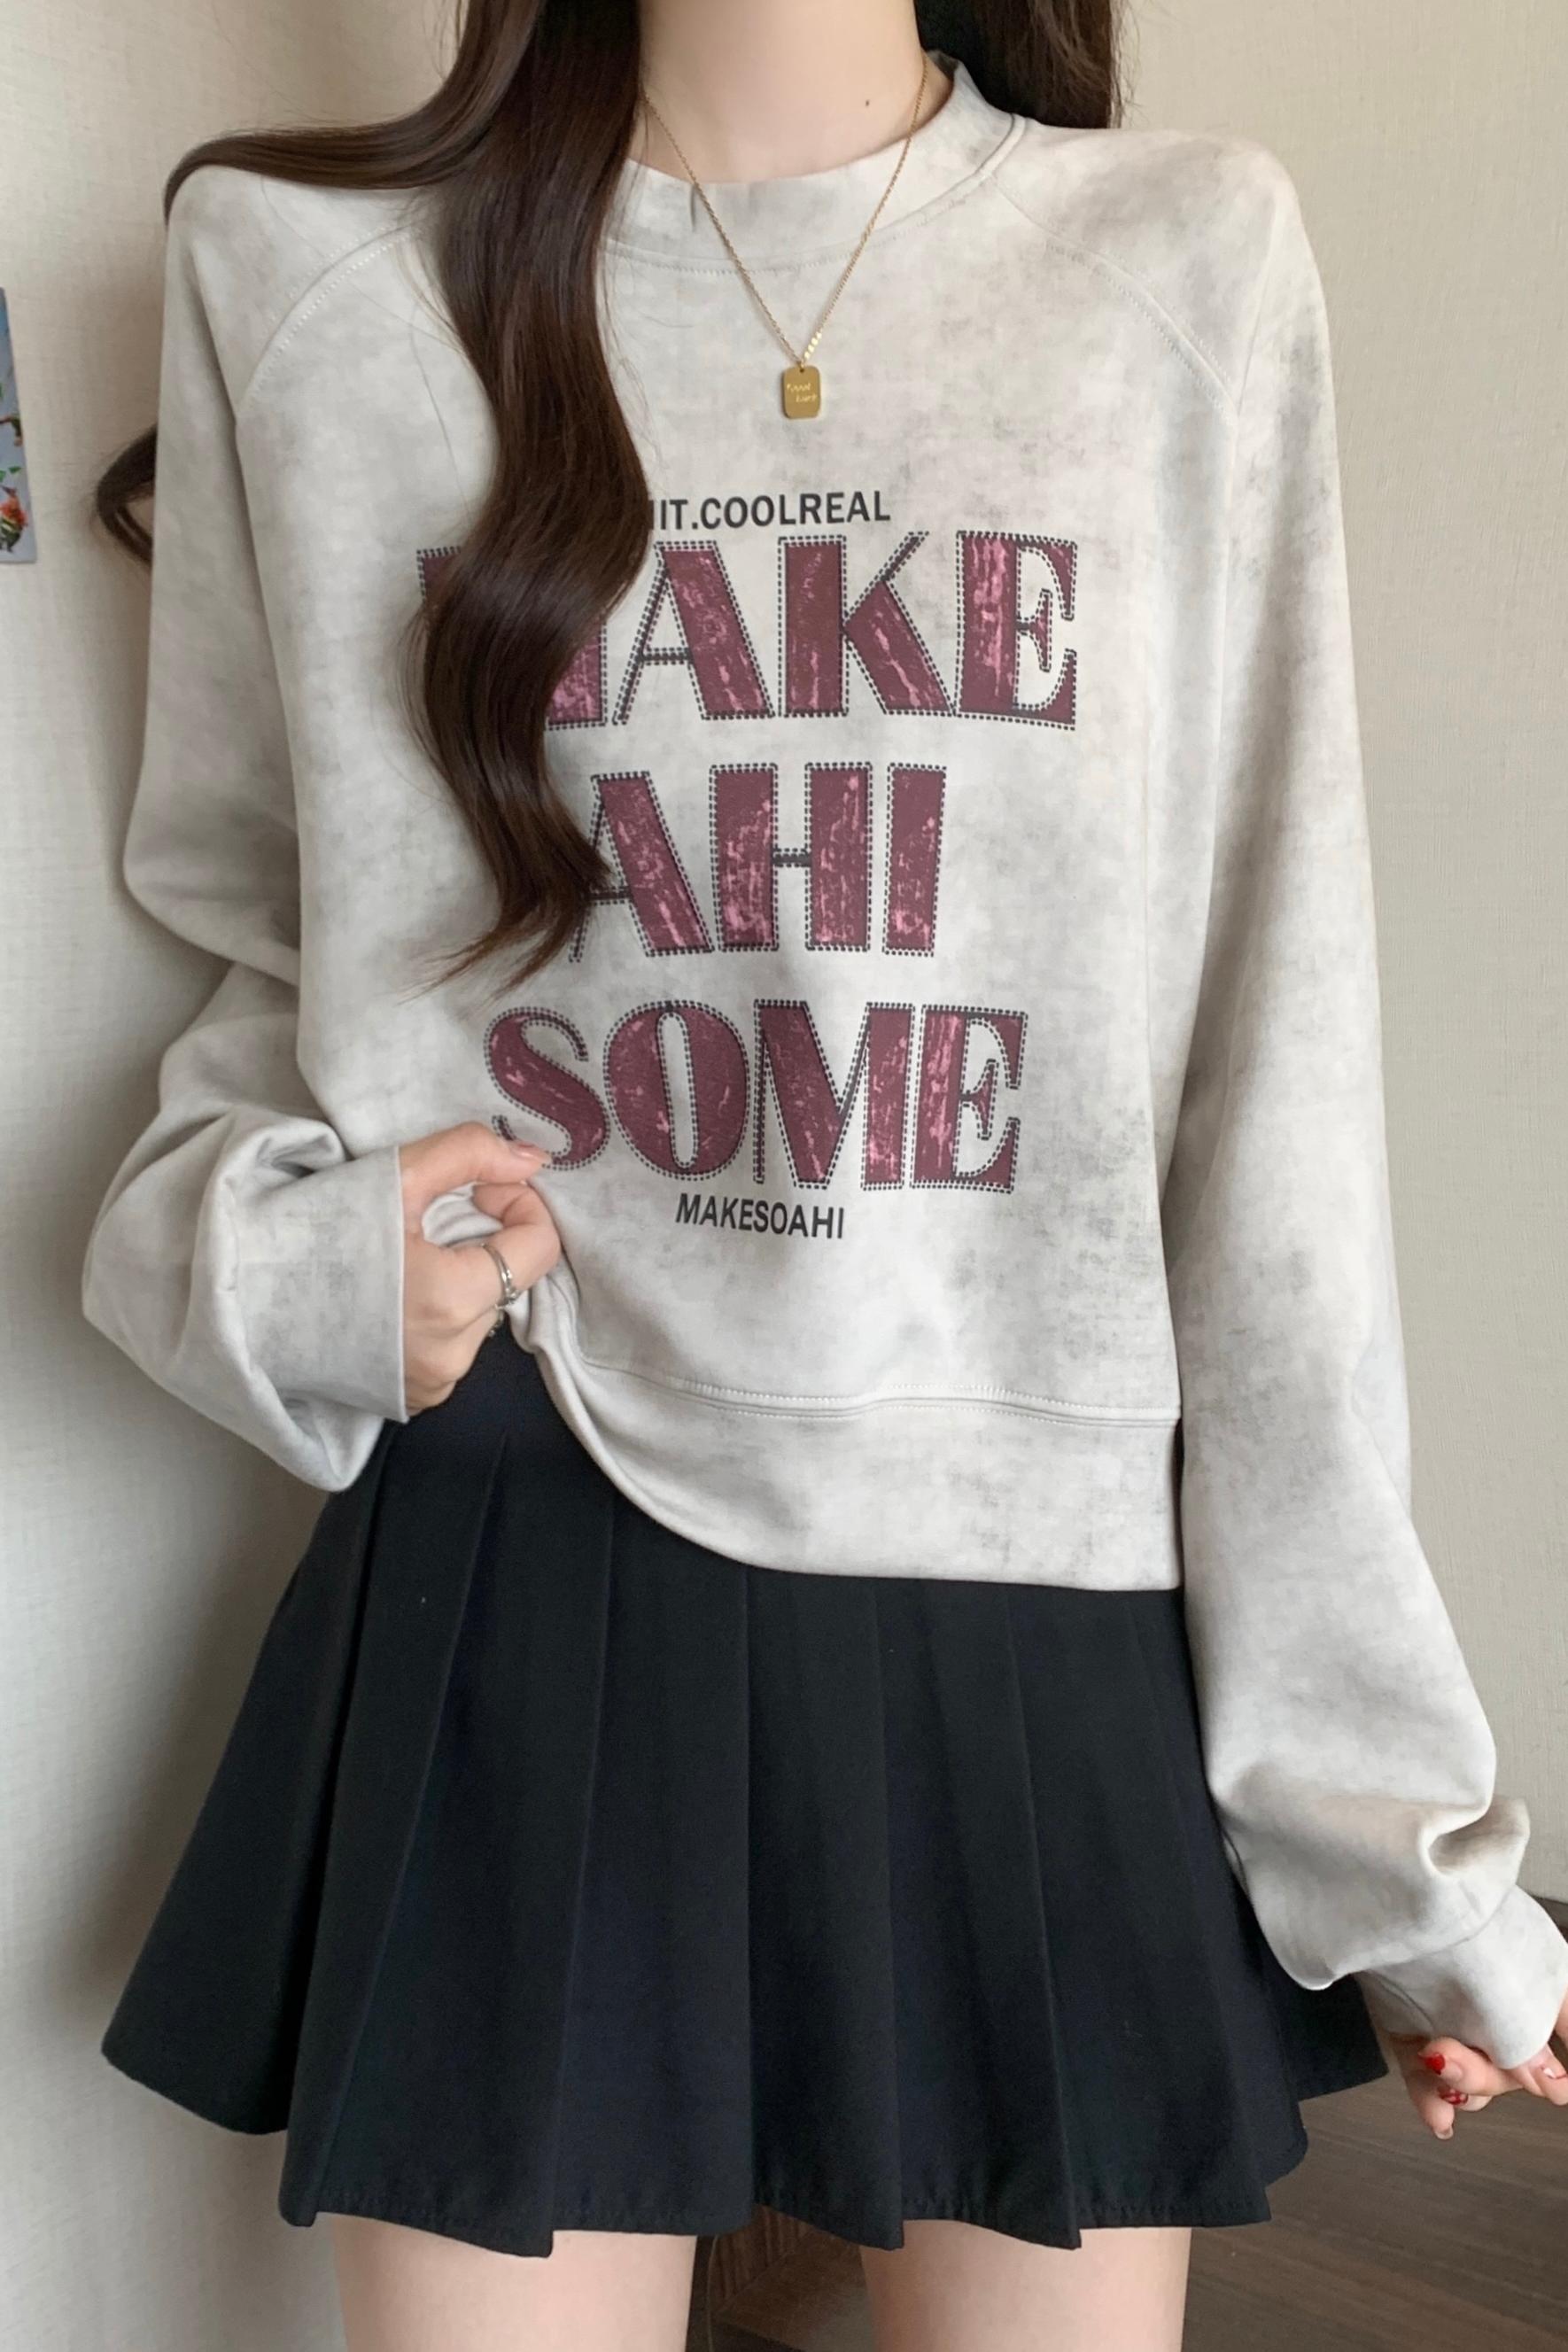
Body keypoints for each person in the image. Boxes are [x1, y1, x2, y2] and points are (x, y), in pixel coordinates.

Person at [82, 3, 1568, 2348]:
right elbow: (271, 960)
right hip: (529, 1534)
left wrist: (1386, 1835)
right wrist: (293, 1267)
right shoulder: (306, 277)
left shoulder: (1176, 259)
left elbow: (1265, 1067)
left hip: (1039, 1570)